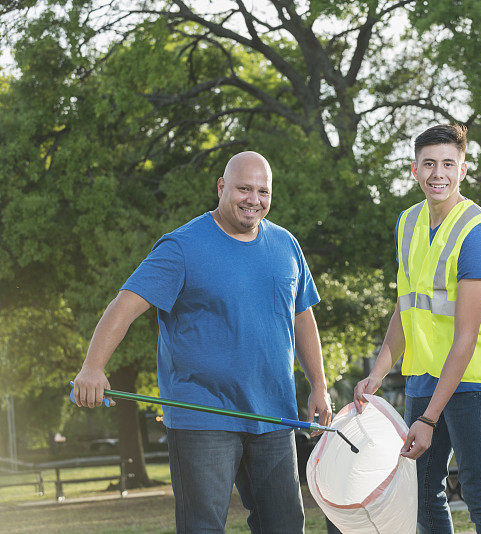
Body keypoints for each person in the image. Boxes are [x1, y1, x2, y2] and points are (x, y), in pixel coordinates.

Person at [72, 151, 331, 533]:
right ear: (222, 187)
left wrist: (319, 386)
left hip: (273, 414)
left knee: (286, 525)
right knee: (202, 527)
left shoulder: (286, 245)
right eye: (244, 188)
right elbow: (124, 306)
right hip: (202, 416)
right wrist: (92, 367)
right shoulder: (182, 246)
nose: (254, 199)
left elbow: (303, 316)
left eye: (263, 191)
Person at [354, 124, 481, 534]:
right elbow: (406, 307)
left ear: (463, 170)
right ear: (414, 170)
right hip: (423, 379)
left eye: (448, 163)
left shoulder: (478, 233)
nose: (438, 174)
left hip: (474, 381)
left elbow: (465, 337)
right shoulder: (408, 223)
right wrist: (378, 371)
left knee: (480, 492)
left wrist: (428, 420)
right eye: (429, 164)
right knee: (421, 491)